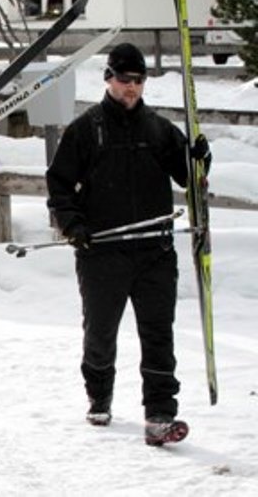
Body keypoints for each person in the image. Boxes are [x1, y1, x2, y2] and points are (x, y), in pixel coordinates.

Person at [46, 42, 211, 446]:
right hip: (102, 251)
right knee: (101, 332)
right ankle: (99, 394)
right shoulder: (86, 129)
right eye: (124, 79)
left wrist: (200, 160)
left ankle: (159, 413)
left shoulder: (158, 130)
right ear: (108, 78)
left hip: (155, 250)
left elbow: (190, 180)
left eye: (138, 80)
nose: (132, 88)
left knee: (158, 333)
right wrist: (73, 226)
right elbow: (59, 184)